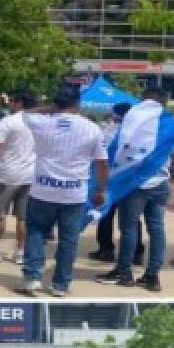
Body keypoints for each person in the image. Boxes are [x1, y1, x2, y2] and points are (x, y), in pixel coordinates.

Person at [19, 85, 108, 297]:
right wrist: (101, 190)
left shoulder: (41, 122)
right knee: (68, 239)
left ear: (56, 103)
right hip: (74, 192)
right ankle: (61, 284)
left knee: (36, 232)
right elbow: (102, 164)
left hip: (43, 189)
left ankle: (32, 277)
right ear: (78, 104)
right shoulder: (92, 128)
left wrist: (50, 108)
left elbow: (25, 113)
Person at [95, 87, 174, 292]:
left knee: (129, 228)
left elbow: (122, 147)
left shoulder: (134, 119)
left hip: (137, 184)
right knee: (157, 229)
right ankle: (152, 276)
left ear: (145, 100)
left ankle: (124, 272)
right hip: (161, 183)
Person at [0, 90, 36, 264]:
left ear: (19, 102)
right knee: (23, 217)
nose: (10, 104)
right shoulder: (39, 121)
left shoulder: (9, 120)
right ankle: (20, 252)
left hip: (7, 173)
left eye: (12, 101)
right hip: (30, 174)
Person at [90, 103, 145, 265]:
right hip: (130, 181)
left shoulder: (109, 132)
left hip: (111, 180)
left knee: (106, 215)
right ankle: (136, 252)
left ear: (115, 115)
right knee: (132, 218)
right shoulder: (139, 133)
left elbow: (100, 158)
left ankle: (106, 249)